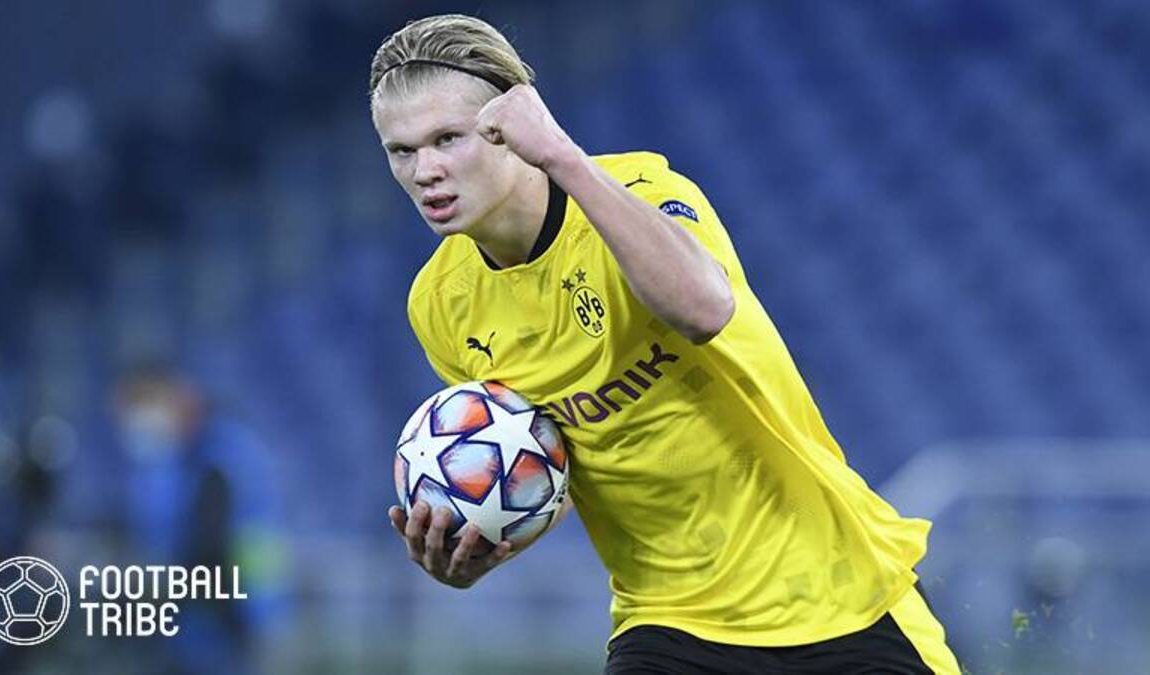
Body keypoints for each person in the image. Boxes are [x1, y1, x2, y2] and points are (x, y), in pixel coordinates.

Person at [372, 14, 961, 674]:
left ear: (511, 126)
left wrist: (563, 158)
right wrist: (484, 535)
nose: (425, 170)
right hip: (669, 623)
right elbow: (556, 459)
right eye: (402, 151)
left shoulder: (645, 192)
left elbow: (703, 309)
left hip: (840, 594)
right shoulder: (441, 303)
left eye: (447, 139)